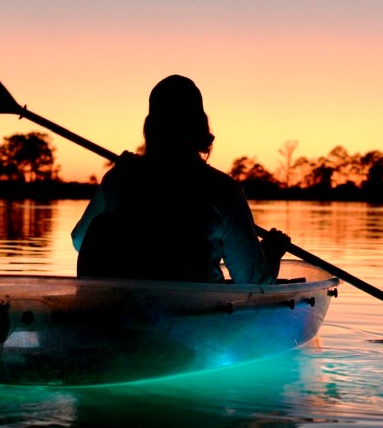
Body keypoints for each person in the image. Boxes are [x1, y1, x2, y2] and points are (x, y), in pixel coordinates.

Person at [71, 75, 289, 284]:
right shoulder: (224, 190)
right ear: (199, 127)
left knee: (101, 225)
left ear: (151, 128)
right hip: (194, 316)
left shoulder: (122, 176)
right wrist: (271, 252)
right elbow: (253, 281)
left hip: (126, 310)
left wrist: (119, 175)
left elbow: (80, 241)